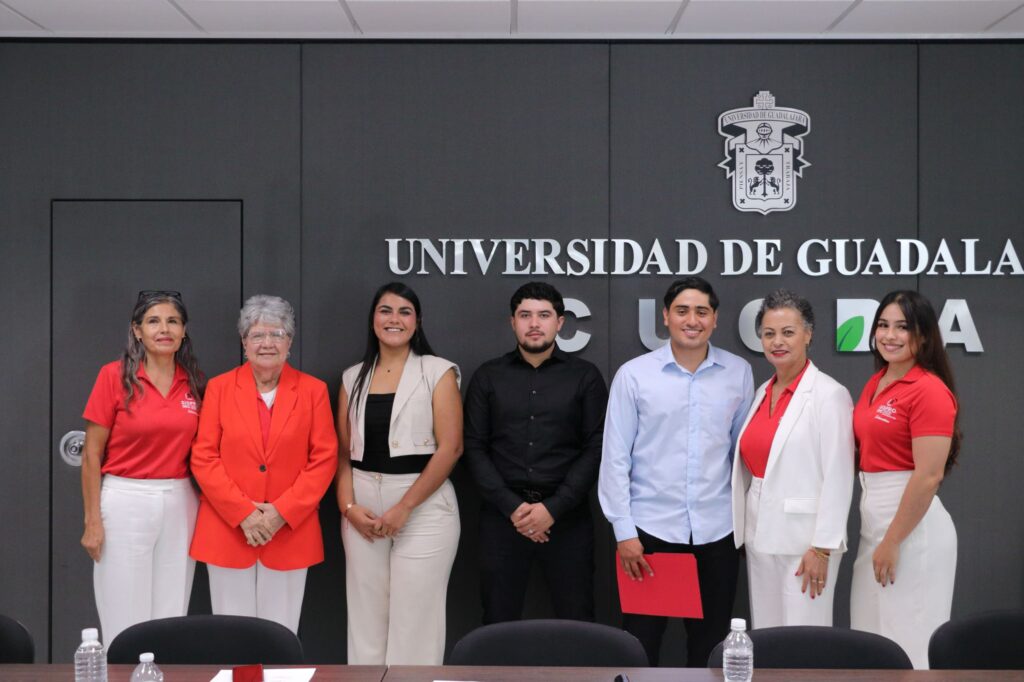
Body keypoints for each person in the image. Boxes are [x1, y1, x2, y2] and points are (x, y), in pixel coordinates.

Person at [599, 276, 754, 667]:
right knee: (640, 644)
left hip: (717, 532)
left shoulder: (737, 372)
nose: (692, 320)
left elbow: (742, 456)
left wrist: (745, 525)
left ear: (715, 319)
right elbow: (615, 457)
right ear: (665, 316)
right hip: (650, 533)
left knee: (710, 647)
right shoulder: (634, 375)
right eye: (682, 311)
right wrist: (624, 531)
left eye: (702, 311)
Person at [189, 295, 337, 634]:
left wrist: (280, 512)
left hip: (288, 531)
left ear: (290, 342)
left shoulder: (313, 391)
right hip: (228, 529)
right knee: (232, 635)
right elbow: (204, 456)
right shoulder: (219, 388)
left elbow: (324, 458)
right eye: (257, 335)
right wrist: (244, 513)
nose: (267, 343)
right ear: (244, 342)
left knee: (279, 635)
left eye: (277, 334)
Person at [464, 282, 607, 624]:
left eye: (544, 315)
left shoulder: (585, 377)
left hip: (567, 517)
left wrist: (552, 509)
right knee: (497, 619)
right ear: (512, 322)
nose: (534, 323)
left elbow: (597, 447)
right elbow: (474, 446)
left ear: (560, 322)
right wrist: (515, 509)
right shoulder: (488, 376)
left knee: (577, 620)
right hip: (502, 518)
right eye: (525, 315)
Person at [337, 282, 463, 665]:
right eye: (386, 311)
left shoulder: (438, 371)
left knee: (415, 623)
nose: (395, 319)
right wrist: (348, 508)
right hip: (362, 508)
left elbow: (451, 448)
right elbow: (343, 453)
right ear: (373, 319)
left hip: (423, 508)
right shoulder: (351, 377)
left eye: (404, 312)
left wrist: (404, 507)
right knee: (366, 620)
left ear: (417, 321)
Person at [80, 290, 204, 645]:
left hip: (180, 501)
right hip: (125, 498)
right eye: (153, 321)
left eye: (173, 321)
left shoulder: (194, 381)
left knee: (171, 615)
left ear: (183, 331)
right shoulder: (114, 376)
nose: (164, 329)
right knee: (125, 616)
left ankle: (161, 671)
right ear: (137, 330)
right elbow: (91, 455)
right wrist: (92, 521)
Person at [730, 290, 854, 629]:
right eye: (769, 333)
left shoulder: (829, 394)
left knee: (804, 637)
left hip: (805, 542)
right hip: (759, 533)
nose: (777, 342)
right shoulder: (762, 392)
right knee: (766, 633)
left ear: (808, 335)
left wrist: (823, 547)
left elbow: (839, 475)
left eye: (788, 332)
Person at [850, 290, 960, 669]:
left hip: (912, 531)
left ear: (924, 335)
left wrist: (893, 540)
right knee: (871, 641)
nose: (890, 335)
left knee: (910, 643)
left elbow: (929, 476)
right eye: (883, 325)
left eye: (903, 327)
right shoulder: (877, 382)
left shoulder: (929, 390)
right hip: (875, 525)